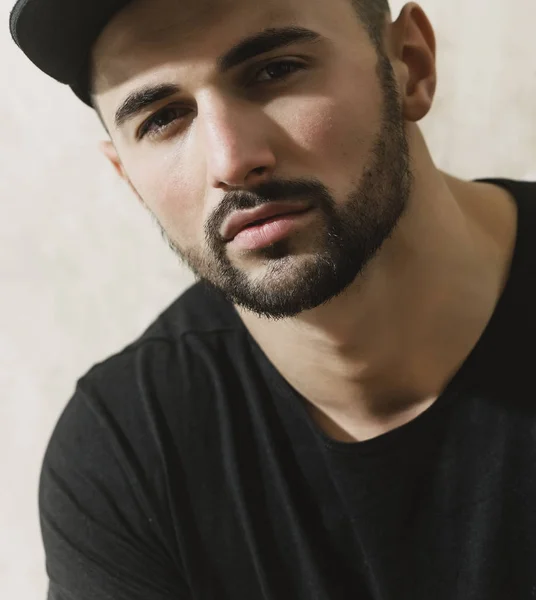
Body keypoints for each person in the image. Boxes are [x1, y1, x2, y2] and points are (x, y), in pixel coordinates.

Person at [10, 0, 536, 597]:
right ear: (128, 177)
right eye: (162, 119)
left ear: (409, 65)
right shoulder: (128, 451)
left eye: (273, 71)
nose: (231, 160)